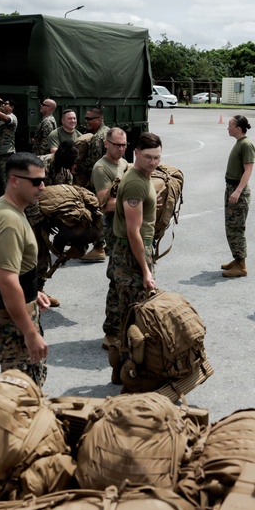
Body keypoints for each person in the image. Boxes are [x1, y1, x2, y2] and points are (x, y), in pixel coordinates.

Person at [0, 152, 51, 387]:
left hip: (12, 316)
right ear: (14, 181)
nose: (42, 187)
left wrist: (32, 293)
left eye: (44, 180)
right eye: (36, 181)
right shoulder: (8, 221)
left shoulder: (6, 207)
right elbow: (7, 281)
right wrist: (30, 333)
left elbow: (15, 270)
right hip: (12, 327)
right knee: (24, 395)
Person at [106, 132, 161, 362]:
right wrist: (146, 270)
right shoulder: (136, 183)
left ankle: (119, 358)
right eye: (148, 157)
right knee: (134, 312)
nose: (153, 162)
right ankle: (128, 365)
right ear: (136, 153)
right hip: (132, 254)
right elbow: (132, 231)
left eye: (157, 157)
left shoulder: (139, 176)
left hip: (127, 252)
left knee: (122, 305)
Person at [93, 128, 130, 347]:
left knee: (129, 280)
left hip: (127, 226)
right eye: (116, 145)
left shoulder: (124, 164)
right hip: (113, 228)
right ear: (107, 144)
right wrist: (137, 203)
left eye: (123, 145)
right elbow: (105, 204)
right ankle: (111, 331)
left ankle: (125, 327)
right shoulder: (101, 168)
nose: (120, 149)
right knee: (117, 279)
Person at [32, 140, 78, 308]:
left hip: (45, 219)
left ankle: (39, 290)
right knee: (14, 253)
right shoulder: (40, 166)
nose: (74, 163)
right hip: (26, 216)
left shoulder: (66, 173)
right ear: (62, 154)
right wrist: (40, 221)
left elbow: (67, 198)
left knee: (43, 254)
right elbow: (28, 196)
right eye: (72, 158)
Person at [221, 115, 255, 278]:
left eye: (230, 125)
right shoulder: (239, 143)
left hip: (237, 189)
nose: (228, 128)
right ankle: (237, 258)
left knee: (237, 227)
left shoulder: (246, 145)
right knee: (231, 226)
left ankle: (241, 265)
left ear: (238, 127)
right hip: (232, 187)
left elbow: (248, 170)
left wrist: (238, 191)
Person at [79, 107, 111, 262]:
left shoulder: (97, 138)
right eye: (86, 118)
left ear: (100, 119)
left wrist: (76, 167)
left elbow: (92, 163)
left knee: (96, 213)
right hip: (111, 178)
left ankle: (98, 247)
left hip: (98, 181)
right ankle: (109, 245)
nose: (86, 121)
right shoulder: (110, 132)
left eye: (90, 119)